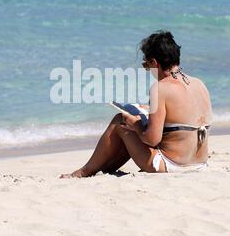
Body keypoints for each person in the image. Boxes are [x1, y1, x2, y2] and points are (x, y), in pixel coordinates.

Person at [60, 30, 212, 178]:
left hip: (172, 165)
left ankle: (85, 171)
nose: (148, 70)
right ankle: (105, 167)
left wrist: (137, 126)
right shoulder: (199, 84)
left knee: (121, 120)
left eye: (147, 66)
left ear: (155, 62)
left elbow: (152, 139)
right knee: (136, 117)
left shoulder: (160, 89)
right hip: (199, 163)